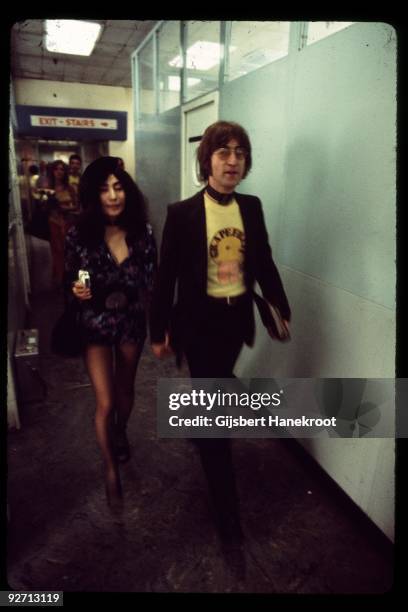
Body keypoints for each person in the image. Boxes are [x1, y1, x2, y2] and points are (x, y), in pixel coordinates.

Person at [149, 121, 291, 551]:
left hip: (235, 322)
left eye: (240, 153)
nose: (233, 160)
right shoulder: (182, 213)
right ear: (206, 160)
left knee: (216, 384)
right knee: (217, 423)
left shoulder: (251, 206)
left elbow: (262, 260)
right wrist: (158, 330)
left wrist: (280, 305)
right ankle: (228, 515)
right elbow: (165, 277)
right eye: (223, 152)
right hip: (197, 323)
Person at [64, 157, 157, 508]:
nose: (113, 196)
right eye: (104, 189)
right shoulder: (79, 234)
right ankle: (109, 470)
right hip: (94, 324)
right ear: (93, 195)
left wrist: (163, 326)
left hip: (132, 321)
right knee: (104, 401)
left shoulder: (143, 233)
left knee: (125, 391)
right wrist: (77, 290)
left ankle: (121, 431)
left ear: (128, 192)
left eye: (118, 188)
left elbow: (151, 281)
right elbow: (71, 278)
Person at [48, 160, 79, 287]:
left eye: (62, 169)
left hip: (67, 223)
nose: (59, 172)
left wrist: (64, 208)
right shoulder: (47, 187)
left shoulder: (69, 188)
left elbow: (77, 205)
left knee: (68, 251)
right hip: (53, 222)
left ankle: (68, 277)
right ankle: (58, 279)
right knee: (57, 251)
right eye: (57, 169)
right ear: (53, 171)